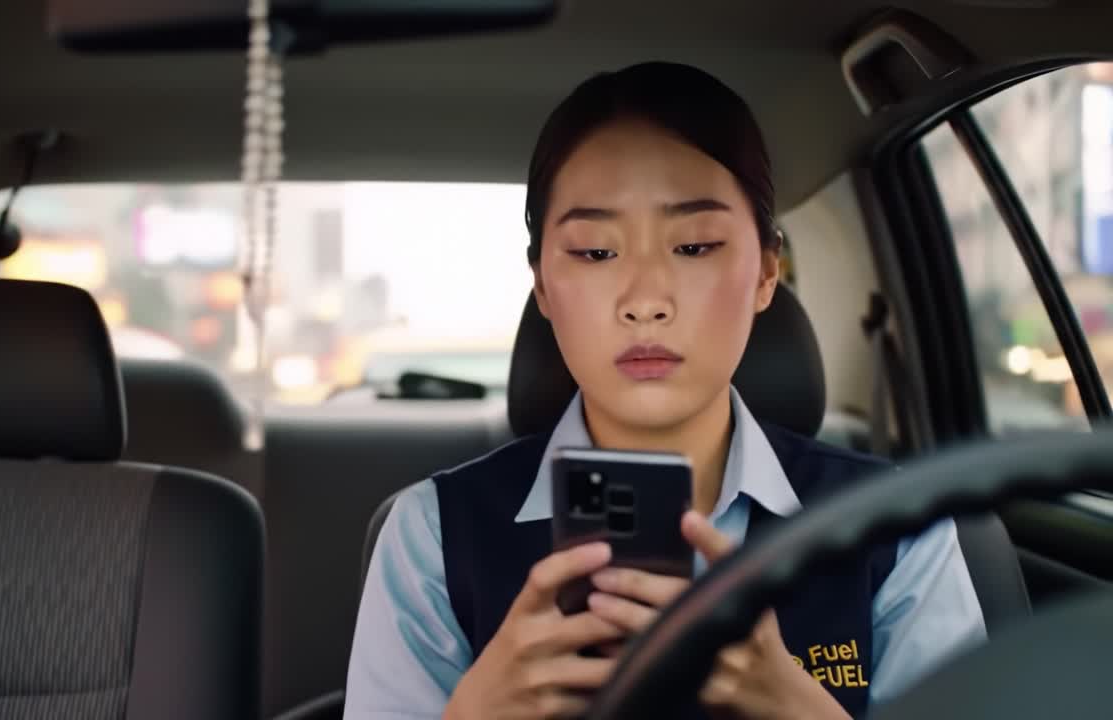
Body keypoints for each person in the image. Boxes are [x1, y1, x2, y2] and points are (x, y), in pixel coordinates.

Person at [344, 62, 986, 719]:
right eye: (595, 252)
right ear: (541, 285)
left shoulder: (898, 530)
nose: (645, 300)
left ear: (767, 272)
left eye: (696, 246)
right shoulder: (434, 537)